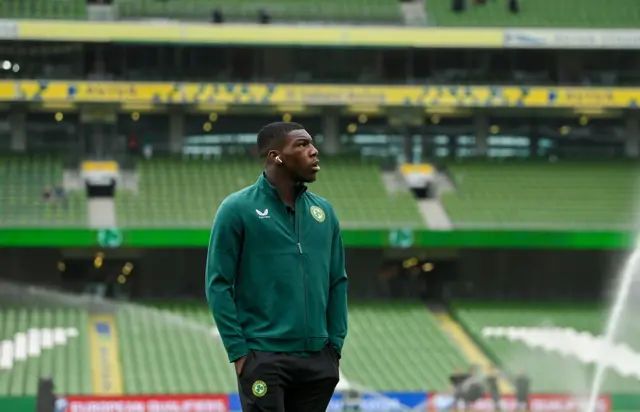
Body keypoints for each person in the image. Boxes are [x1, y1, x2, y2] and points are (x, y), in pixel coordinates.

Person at [206, 121, 348, 412]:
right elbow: (218, 283)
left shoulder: (325, 212)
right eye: (302, 144)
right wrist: (240, 353)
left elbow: (337, 281)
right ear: (275, 157)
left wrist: (334, 347)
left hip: (319, 360)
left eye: (312, 143)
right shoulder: (237, 209)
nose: (314, 151)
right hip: (263, 359)